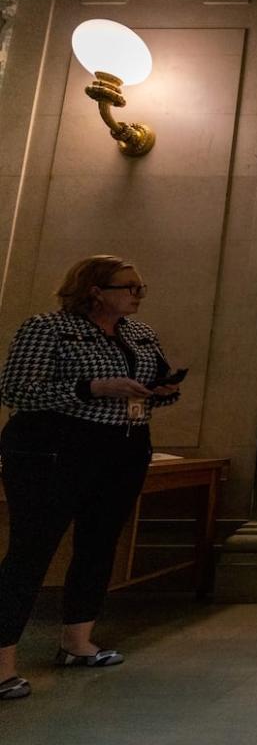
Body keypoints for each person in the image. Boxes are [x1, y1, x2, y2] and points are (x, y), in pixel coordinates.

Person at [0, 256, 182, 701]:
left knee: (99, 545)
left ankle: (77, 642)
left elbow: (151, 379)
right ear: (95, 289)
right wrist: (92, 387)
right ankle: (2, 662)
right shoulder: (48, 328)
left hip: (121, 447)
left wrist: (162, 391)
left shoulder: (139, 333)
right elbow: (16, 391)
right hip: (54, 449)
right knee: (32, 549)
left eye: (141, 288)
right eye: (129, 287)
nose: (138, 295)